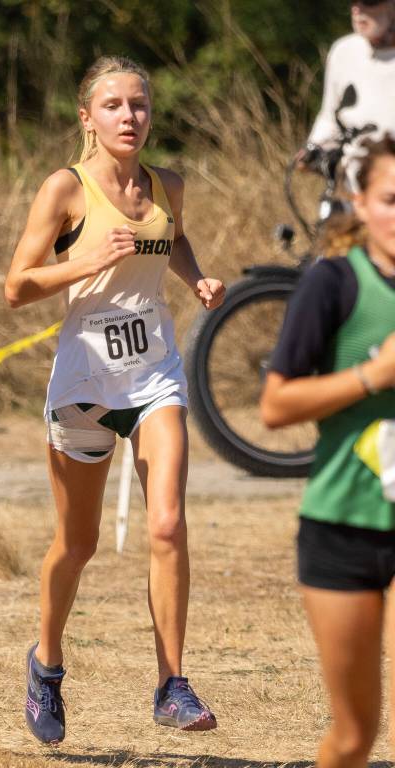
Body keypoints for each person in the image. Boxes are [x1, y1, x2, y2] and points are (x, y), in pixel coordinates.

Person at [4, 56, 226, 744]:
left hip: (154, 374)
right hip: (84, 384)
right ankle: (47, 662)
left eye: (138, 105)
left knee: (167, 525)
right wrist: (88, 261)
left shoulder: (169, 186)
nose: (128, 117)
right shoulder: (65, 191)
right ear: (87, 118)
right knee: (79, 542)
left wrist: (194, 278)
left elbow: (175, 233)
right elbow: (17, 286)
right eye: (113, 106)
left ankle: (172, 683)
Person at [260, 135, 395, 768]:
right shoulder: (334, 284)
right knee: (353, 738)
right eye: (391, 199)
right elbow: (276, 406)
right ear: (361, 204)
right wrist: (374, 376)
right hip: (343, 526)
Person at [303, 1, 395, 155]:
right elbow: (330, 118)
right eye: (352, 0)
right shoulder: (344, 51)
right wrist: (312, 147)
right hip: (352, 171)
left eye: (369, 1)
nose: (357, 9)